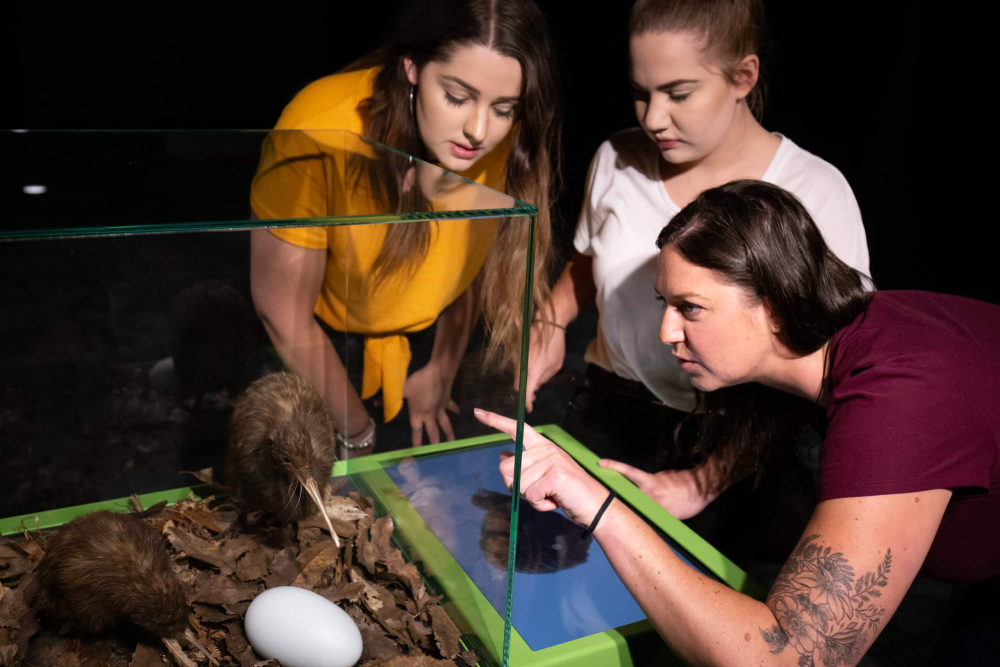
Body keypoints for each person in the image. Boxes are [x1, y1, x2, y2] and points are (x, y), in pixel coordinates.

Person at [478, 180, 1000, 666]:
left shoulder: (898, 401)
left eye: (690, 308)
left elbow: (789, 658)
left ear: (775, 303)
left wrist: (599, 507)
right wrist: (696, 484)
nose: (666, 332)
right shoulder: (850, 337)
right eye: (665, 304)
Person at [523, 0, 871, 482]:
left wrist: (706, 480)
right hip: (610, 409)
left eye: (679, 93)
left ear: (743, 77)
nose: (653, 118)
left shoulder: (815, 189)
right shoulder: (617, 158)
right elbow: (588, 262)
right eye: (641, 93)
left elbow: (838, 359)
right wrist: (550, 322)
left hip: (746, 439)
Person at [248, 0, 561, 455]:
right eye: (456, 97)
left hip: (437, 341)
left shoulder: (508, 133)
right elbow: (283, 313)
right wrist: (357, 434)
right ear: (412, 65)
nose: (478, 130)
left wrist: (442, 368)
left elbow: (472, 252)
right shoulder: (317, 127)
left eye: (503, 108)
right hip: (319, 352)